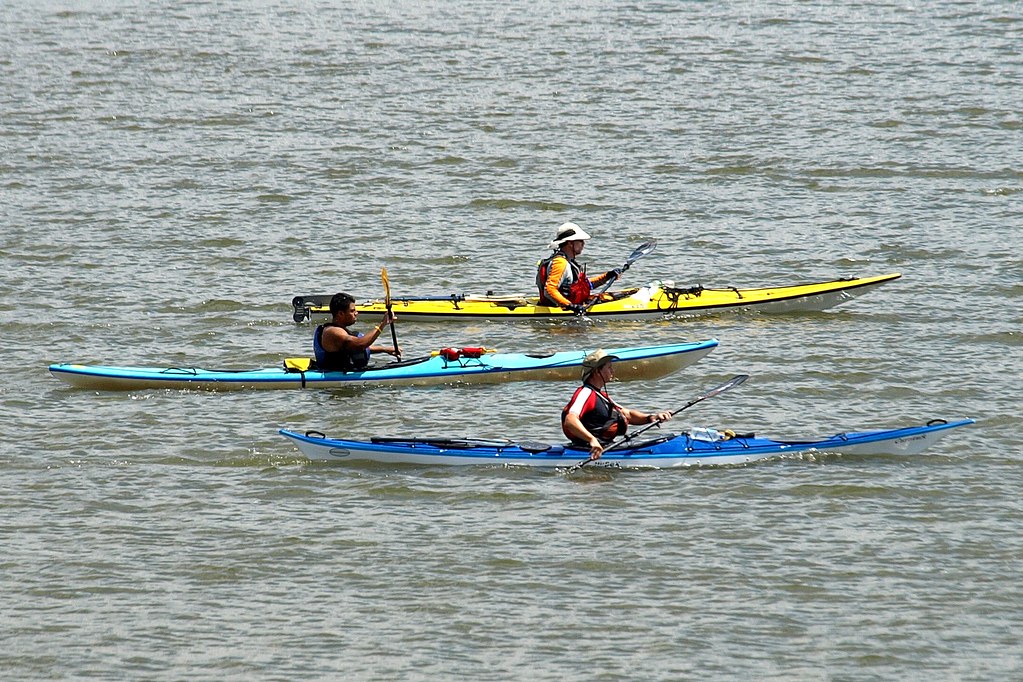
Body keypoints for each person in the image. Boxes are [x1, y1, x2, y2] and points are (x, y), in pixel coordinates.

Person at [562, 349, 673, 460]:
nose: (612, 371)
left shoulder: (601, 395)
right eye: (609, 367)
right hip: (591, 449)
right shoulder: (585, 393)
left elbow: (627, 414)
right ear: (597, 372)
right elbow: (570, 419)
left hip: (606, 445)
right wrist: (592, 440)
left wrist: (651, 417)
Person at [536, 222, 624, 311]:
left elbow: (585, 286)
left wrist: (608, 276)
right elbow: (549, 290)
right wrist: (571, 306)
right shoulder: (560, 263)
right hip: (563, 307)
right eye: (580, 241)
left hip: (571, 304)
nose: (583, 243)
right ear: (570, 243)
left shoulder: (568, 261)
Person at [313, 292, 400, 371]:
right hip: (334, 375)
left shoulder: (337, 329)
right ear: (340, 314)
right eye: (352, 311)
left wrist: (384, 349)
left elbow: (352, 346)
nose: (356, 313)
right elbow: (360, 345)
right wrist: (382, 324)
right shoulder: (333, 332)